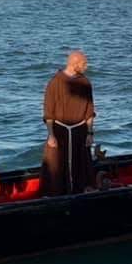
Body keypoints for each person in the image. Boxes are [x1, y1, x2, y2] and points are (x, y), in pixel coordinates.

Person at [40, 50, 96, 196]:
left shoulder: (85, 82)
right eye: (84, 64)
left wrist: (90, 133)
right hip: (60, 130)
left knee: (82, 163)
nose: (86, 66)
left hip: (80, 130)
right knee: (55, 163)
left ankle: (81, 190)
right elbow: (49, 111)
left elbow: (89, 111)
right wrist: (51, 135)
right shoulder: (55, 82)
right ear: (75, 63)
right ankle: (55, 193)